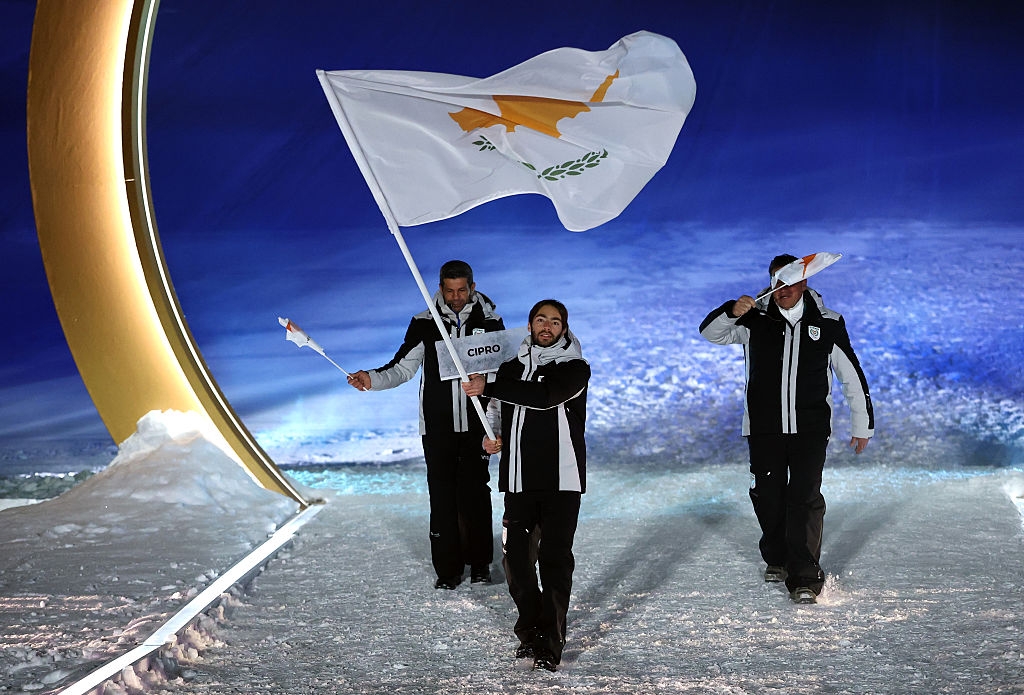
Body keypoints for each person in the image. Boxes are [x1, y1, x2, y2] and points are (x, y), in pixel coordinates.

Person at [698, 254, 873, 604]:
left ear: (805, 281)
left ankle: (805, 576)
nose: (783, 288)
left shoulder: (828, 322)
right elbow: (711, 334)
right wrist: (732, 310)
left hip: (810, 429)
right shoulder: (754, 320)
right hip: (764, 429)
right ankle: (777, 557)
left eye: (790, 280)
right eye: (777, 281)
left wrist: (862, 423)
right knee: (768, 495)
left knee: (805, 498)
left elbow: (850, 374)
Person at [347, 260, 504, 590]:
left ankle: (479, 565)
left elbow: (498, 372)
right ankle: (448, 570)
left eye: (462, 290)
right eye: (450, 291)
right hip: (437, 428)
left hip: (478, 427)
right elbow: (402, 368)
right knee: (443, 496)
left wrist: (495, 419)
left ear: (472, 288)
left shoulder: (489, 321)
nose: (456, 297)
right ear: (440, 288)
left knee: (475, 493)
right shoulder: (425, 323)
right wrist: (370, 380)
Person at [462, 299, 590, 672]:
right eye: (540, 319)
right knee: (516, 562)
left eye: (554, 321)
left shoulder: (574, 368)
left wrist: (491, 386)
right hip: (517, 479)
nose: (546, 326)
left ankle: (550, 643)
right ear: (530, 324)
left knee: (553, 561)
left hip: (561, 481)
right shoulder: (511, 367)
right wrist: (492, 435)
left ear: (564, 328)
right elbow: (499, 412)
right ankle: (532, 629)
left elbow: (544, 397)